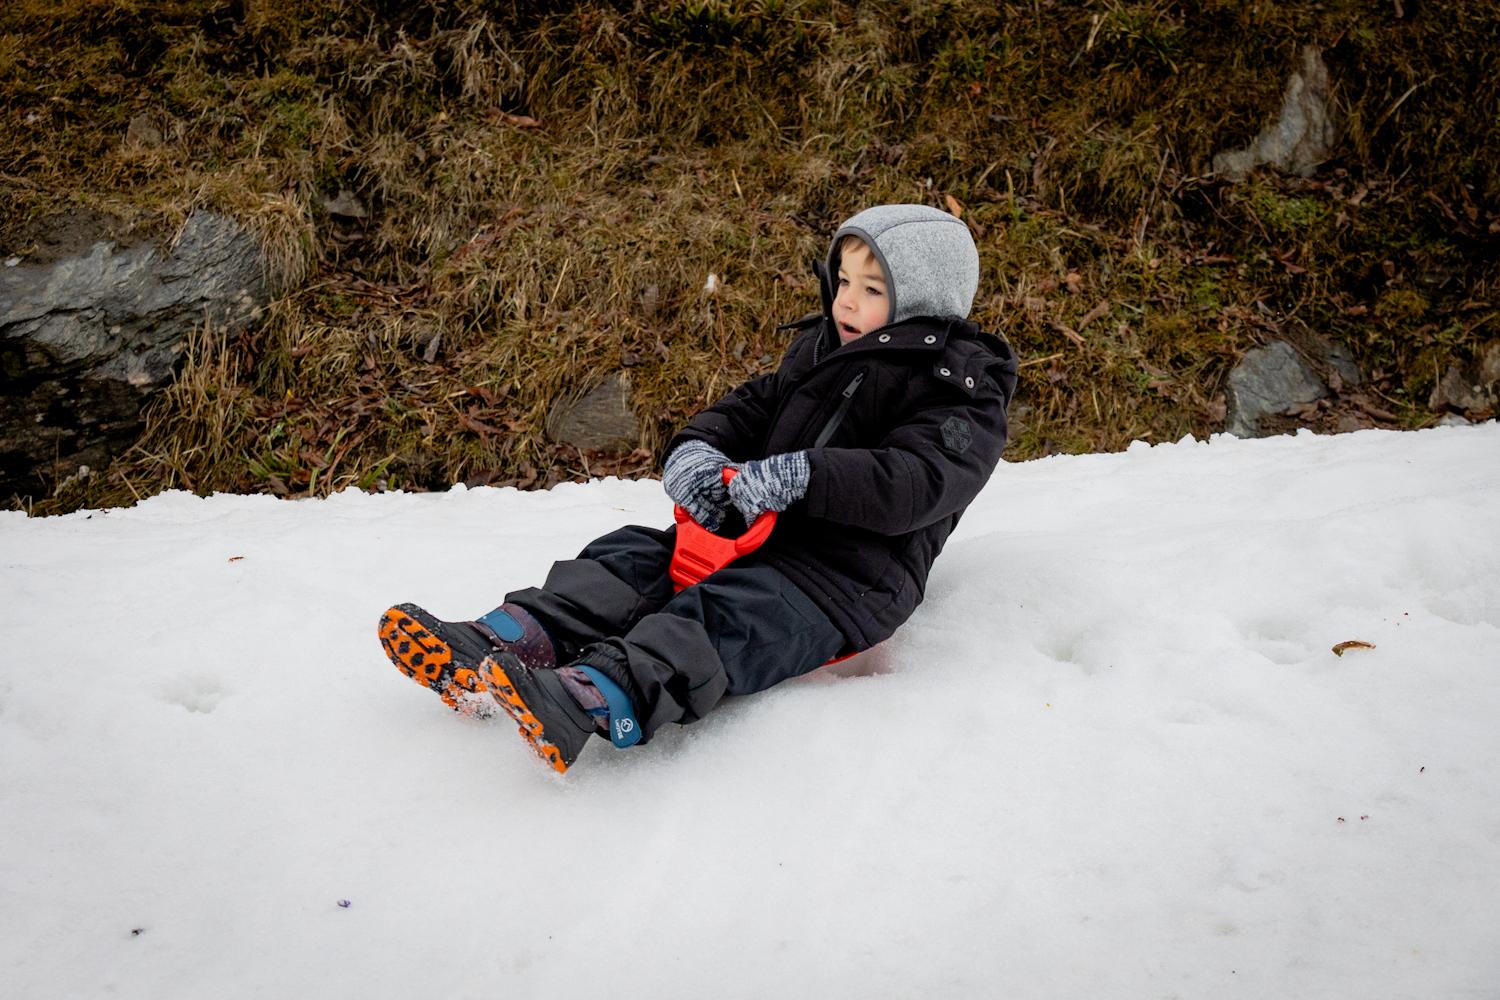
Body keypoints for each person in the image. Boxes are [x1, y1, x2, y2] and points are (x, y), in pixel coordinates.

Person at [378, 204, 1020, 773]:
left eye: (872, 289)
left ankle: (592, 696)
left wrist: (805, 478)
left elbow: (918, 481)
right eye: (843, 281)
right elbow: (752, 407)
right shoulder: (822, 349)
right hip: (747, 535)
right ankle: (505, 640)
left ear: (924, 300)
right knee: (629, 557)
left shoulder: (957, 387)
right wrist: (695, 450)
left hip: (839, 581)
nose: (846, 302)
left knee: (725, 614)